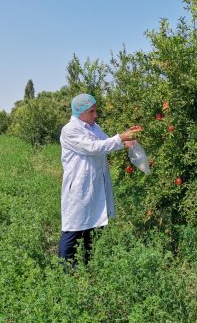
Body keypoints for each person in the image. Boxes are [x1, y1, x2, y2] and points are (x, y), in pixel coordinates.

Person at [57, 93, 141, 268]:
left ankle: (88, 266)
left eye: (96, 111)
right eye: (92, 111)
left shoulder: (93, 127)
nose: (95, 115)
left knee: (92, 229)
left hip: (95, 186)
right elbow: (94, 147)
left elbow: (106, 142)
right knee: (73, 230)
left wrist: (126, 142)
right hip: (79, 188)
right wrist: (121, 137)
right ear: (80, 112)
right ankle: (63, 273)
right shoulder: (70, 130)